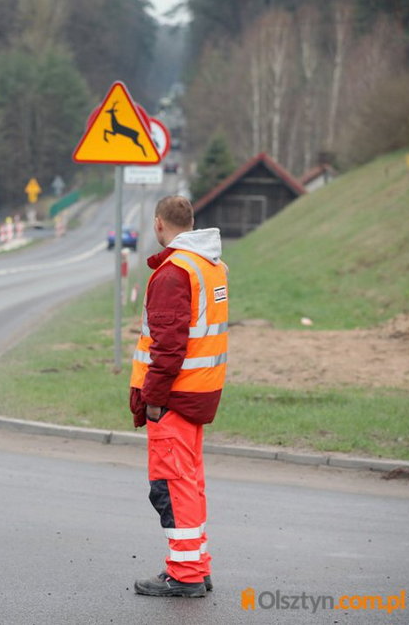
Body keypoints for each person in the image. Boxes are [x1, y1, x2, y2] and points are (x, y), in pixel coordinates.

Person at [129, 195, 228, 598]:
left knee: (170, 485)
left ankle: (184, 574)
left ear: (158, 225)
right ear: (191, 222)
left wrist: (152, 397)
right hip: (199, 391)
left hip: (174, 394)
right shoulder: (211, 265)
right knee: (189, 482)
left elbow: (168, 345)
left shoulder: (174, 273)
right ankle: (196, 565)